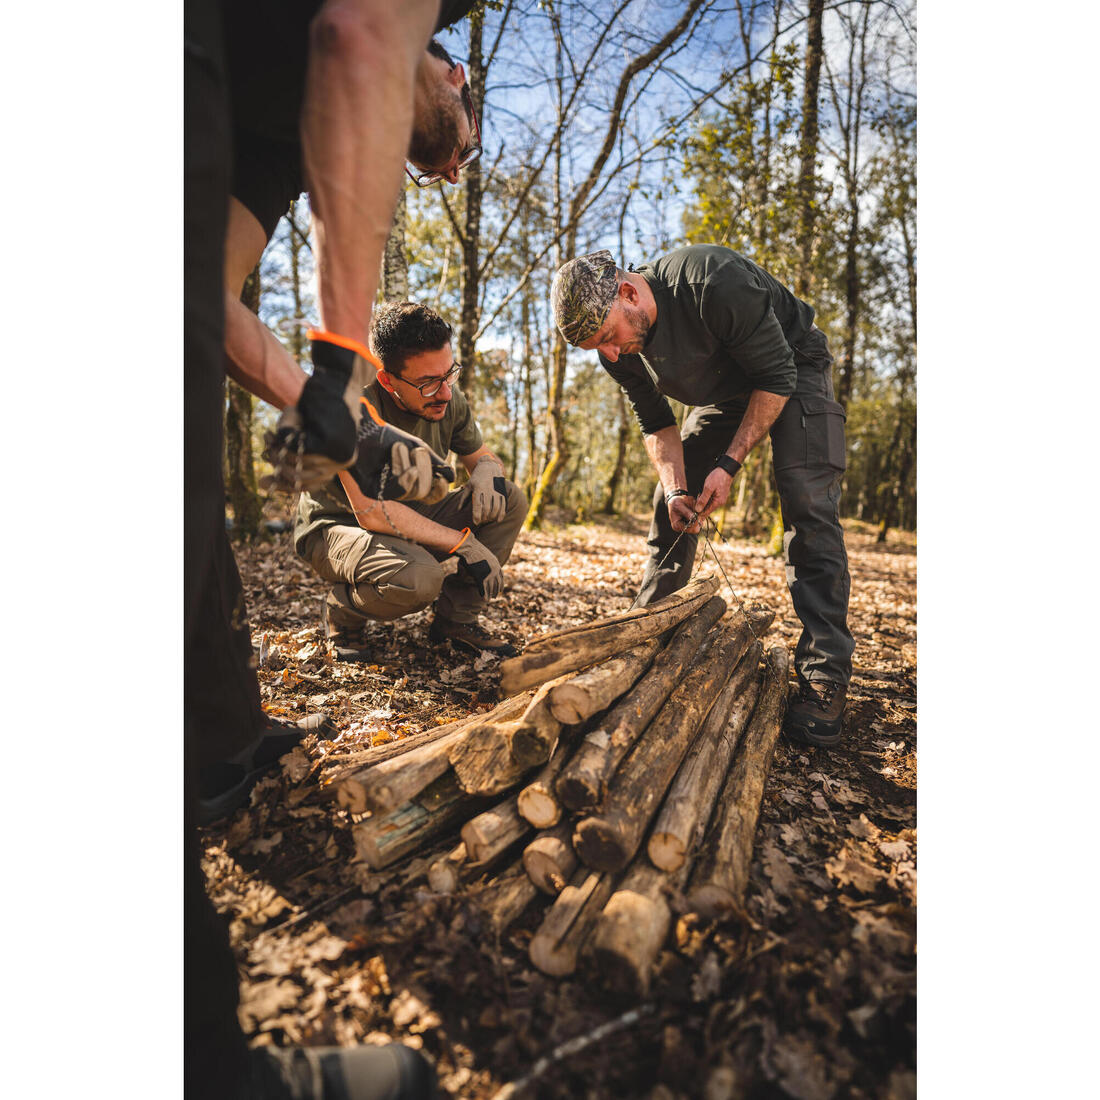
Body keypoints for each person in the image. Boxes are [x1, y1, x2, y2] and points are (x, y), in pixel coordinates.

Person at [185, 1, 478, 1095]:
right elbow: (363, 29)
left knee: (186, 492)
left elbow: (193, 297)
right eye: (467, 110)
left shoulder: (263, 139)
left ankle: (220, 745)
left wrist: (312, 392)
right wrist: (336, 368)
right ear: (447, 70)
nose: (461, 154)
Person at [550, 245, 855, 747]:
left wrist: (729, 465)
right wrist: (677, 490)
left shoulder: (713, 283)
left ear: (629, 293)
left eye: (607, 337)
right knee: (673, 490)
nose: (608, 353)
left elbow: (776, 377)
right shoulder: (617, 348)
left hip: (792, 370)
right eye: (595, 348)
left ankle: (825, 675)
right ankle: (650, 629)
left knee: (808, 502)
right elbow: (656, 424)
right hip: (726, 393)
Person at [295, 302, 528, 659]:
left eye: (450, 374)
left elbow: (481, 457)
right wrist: (464, 544)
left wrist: (487, 468)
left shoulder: (447, 397)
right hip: (335, 527)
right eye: (429, 383)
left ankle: (456, 619)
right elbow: (371, 513)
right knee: (421, 579)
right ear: (387, 380)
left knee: (508, 498)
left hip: (410, 514)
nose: (446, 392)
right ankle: (342, 610)